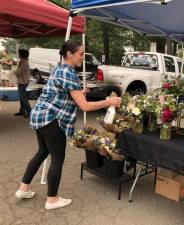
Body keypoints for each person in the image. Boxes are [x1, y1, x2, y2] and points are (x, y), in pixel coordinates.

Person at [15, 40, 121, 210]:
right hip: (51, 120)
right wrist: (109, 101)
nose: (83, 58)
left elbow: (62, 90)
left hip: (39, 116)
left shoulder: (59, 68)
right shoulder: (69, 73)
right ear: (69, 54)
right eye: (81, 54)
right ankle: (52, 200)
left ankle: (23, 188)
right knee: (57, 158)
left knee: (42, 152)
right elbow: (85, 106)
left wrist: (80, 91)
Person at [14, 49, 32, 118]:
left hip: (23, 82)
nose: (18, 55)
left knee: (23, 97)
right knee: (21, 97)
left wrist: (13, 72)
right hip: (22, 81)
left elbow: (19, 72)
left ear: (22, 55)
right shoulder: (23, 61)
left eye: (19, 53)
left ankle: (29, 112)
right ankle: (22, 110)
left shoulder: (24, 62)